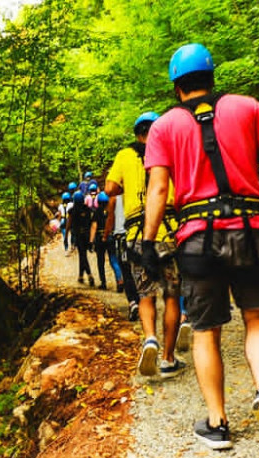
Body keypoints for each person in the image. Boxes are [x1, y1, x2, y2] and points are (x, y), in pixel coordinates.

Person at [142, 43, 259, 455]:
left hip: (197, 237)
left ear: (176, 86)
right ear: (212, 77)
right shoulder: (249, 108)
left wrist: (147, 240)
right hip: (252, 229)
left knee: (206, 330)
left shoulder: (163, 127)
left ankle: (217, 422)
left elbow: (158, 188)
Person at [105, 111, 185, 379]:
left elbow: (110, 188)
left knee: (145, 294)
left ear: (138, 133)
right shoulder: (171, 152)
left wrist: (128, 186)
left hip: (137, 235)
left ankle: (150, 338)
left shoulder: (125, 155)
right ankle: (168, 359)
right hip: (168, 231)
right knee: (172, 295)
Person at [105, 193, 141, 320]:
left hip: (122, 237)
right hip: (139, 235)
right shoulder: (138, 191)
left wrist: (105, 235)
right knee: (139, 270)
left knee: (126, 271)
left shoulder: (114, 198)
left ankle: (133, 302)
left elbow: (110, 218)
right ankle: (143, 300)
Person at [91, 191, 122, 290]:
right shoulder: (112, 211)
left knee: (101, 261)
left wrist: (91, 240)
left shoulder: (97, 212)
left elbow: (94, 227)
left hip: (100, 238)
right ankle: (119, 280)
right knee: (113, 259)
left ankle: (103, 283)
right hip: (111, 236)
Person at [67, 191, 95, 286]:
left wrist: (66, 236)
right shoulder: (88, 210)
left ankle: (89, 275)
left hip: (78, 235)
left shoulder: (72, 210)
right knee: (82, 255)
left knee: (82, 255)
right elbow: (91, 223)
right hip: (87, 235)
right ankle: (80, 276)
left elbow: (69, 223)